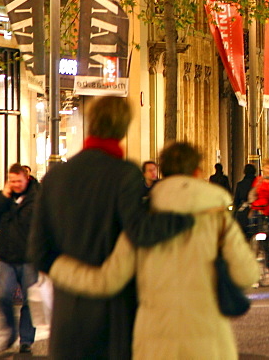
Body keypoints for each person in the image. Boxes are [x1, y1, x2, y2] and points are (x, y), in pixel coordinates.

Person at [46, 141, 258, 358]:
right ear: (197, 172)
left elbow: (107, 281)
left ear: (163, 172)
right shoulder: (218, 219)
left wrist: (55, 266)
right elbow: (247, 274)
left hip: (154, 342)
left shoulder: (142, 219)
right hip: (209, 343)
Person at [29, 96, 193, 359]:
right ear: (123, 128)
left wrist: (68, 273)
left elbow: (38, 251)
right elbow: (139, 230)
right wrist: (185, 218)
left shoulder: (55, 177)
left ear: (90, 123)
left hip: (67, 311)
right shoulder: (123, 173)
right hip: (113, 310)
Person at [0, 164, 38, 353]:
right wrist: (3, 198)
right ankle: (11, 329)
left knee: (30, 300)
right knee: (3, 295)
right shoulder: (2, 198)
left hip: (29, 257)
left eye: (18, 181)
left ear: (26, 179)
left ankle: (26, 339)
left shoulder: (37, 197)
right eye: (12, 181)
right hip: (6, 257)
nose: (15, 185)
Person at [232, 163, 257, 236]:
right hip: (257, 208)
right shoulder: (258, 183)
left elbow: (236, 200)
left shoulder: (240, 184)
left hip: (244, 211)